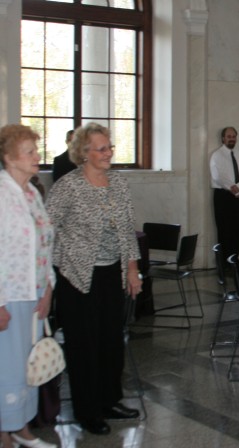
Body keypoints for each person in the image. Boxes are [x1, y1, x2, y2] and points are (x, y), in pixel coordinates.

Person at [46, 122, 142, 436]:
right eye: (102, 149)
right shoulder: (69, 185)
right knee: (83, 345)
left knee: (112, 341)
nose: (108, 153)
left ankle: (110, 400)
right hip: (77, 276)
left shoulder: (118, 182)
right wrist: (53, 266)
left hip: (111, 273)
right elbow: (46, 229)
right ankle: (88, 411)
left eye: (109, 147)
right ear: (84, 153)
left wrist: (131, 269)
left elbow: (127, 227)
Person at [0, 125, 57, 448]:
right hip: (9, 294)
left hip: (34, 290)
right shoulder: (2, 194)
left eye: (36, 150)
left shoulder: (32, 193)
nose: (37, 156)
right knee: (6, 365)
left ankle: (21, 427)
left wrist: (48, 287)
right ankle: (3, 432)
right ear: (9, 158)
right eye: (29, 152)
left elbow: (45, 243)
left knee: (28, 363)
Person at [210, 126, 239, 268]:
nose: (231, 139)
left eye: (234, 136)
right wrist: (233, 189)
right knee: (224, 230)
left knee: (237, 230)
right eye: (229, 136)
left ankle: (234, 261)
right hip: (223, 196)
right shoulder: (216, 155)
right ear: (223, 138)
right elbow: (218, 176)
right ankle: (224, 264)